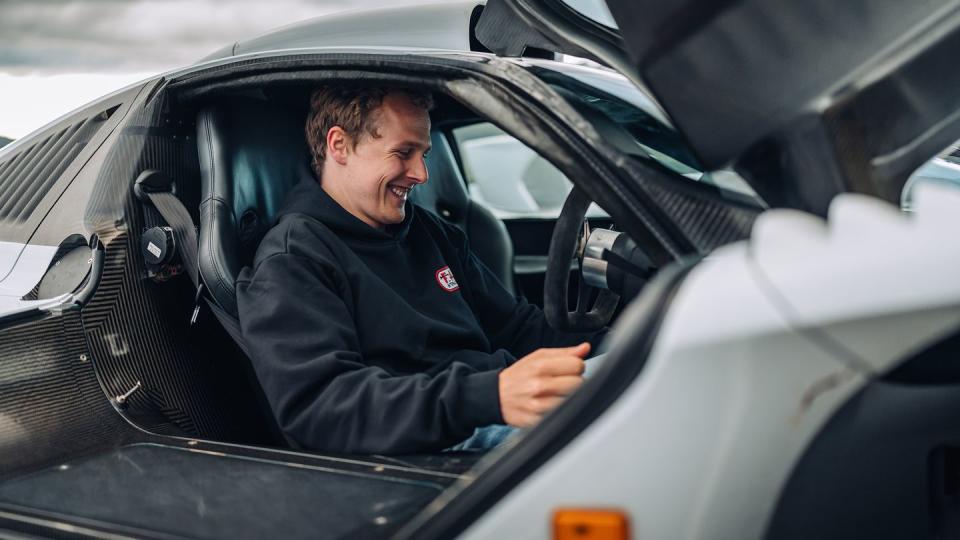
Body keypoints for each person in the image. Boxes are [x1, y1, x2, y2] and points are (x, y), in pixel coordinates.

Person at [236, 85, 605, 455]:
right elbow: (322, 408)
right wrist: (488, 395)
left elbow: (516, 326)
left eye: (423, 153)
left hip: (493, 405)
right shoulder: (293, 260)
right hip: (443, 442)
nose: (422, 174)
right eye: (403, 152)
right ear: (339, 145)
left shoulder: (429, 232)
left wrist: (617, 342)